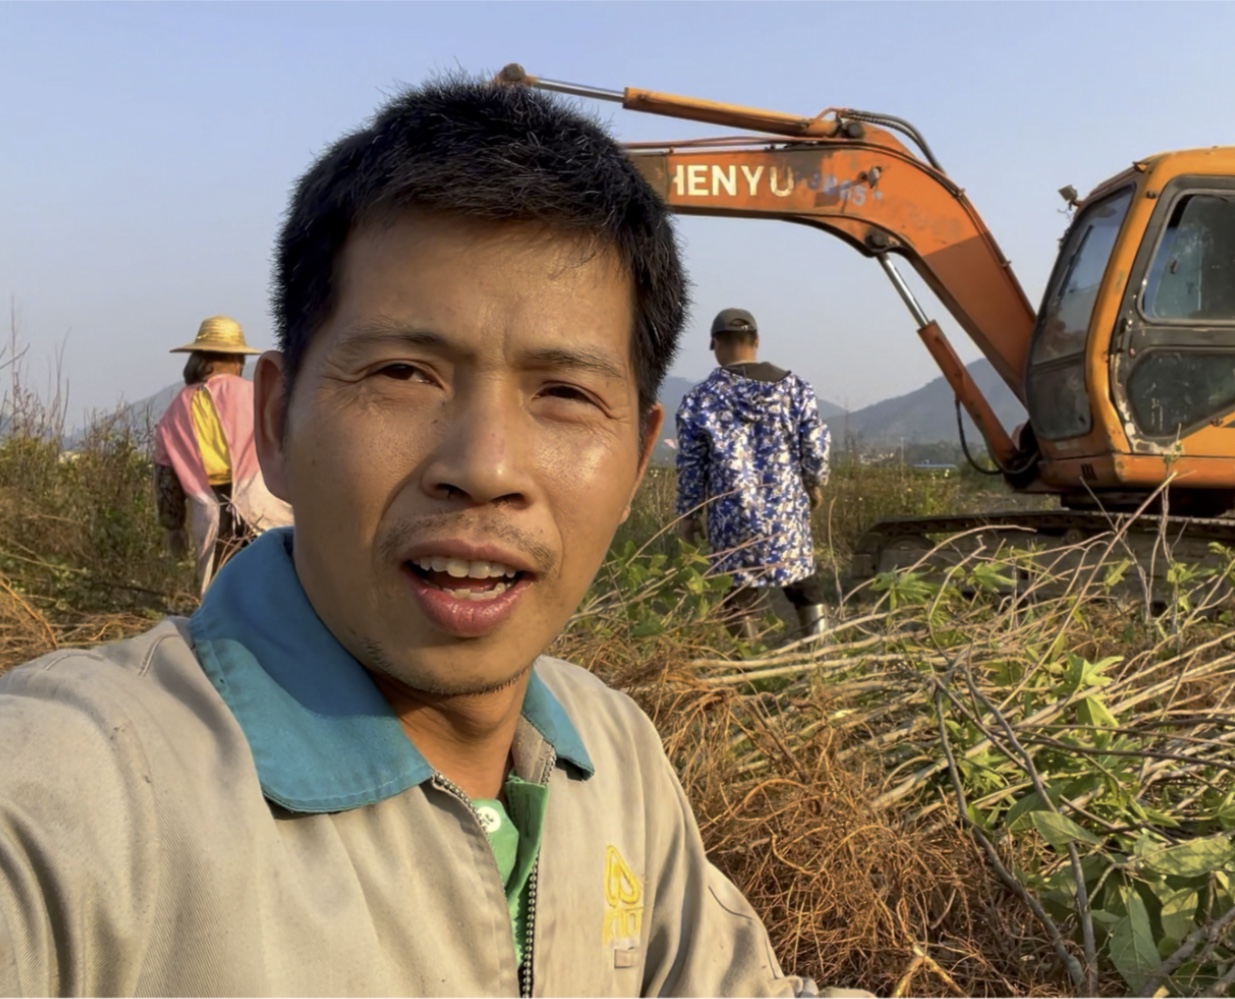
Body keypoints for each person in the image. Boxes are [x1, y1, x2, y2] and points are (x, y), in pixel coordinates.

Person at [0, 73, 850, 997]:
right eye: (403, 372)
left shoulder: (612, 752)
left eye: (563, 393)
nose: (485, 467)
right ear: (276, 423)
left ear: (638, 459)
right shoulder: (77, 798)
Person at [675, 308, 833, 639]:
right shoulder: (795, 390)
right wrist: (814, 484)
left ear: (715, 344)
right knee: (803, 583)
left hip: (730, 516)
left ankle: (750, 671)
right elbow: (815, 446)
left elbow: (691, 464)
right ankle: (819, 661)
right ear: (757, 341)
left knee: (738, 592)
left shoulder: (700, 399)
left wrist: (689, 515)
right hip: (785, 512)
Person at [152, 315, 294, 593]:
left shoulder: (174, 411)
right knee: (281, 590)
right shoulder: (258, 395)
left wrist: (174, 529)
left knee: (220, 598)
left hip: (211, 517)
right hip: (267, 507)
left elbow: (166, 481)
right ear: (235, 359)